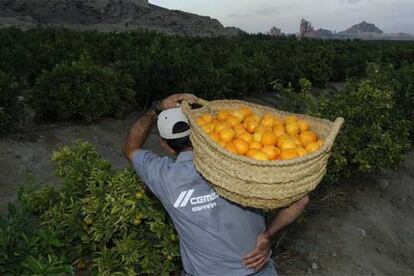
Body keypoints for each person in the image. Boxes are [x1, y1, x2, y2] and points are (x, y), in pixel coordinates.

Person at [123, 93, 309, 276]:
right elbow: (301, 200)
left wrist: (154, 110)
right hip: (256, 270)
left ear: (165, 145)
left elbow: (131, 148)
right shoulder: (243, 161)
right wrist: (267, 236)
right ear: (202, 131)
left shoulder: (163, 176)